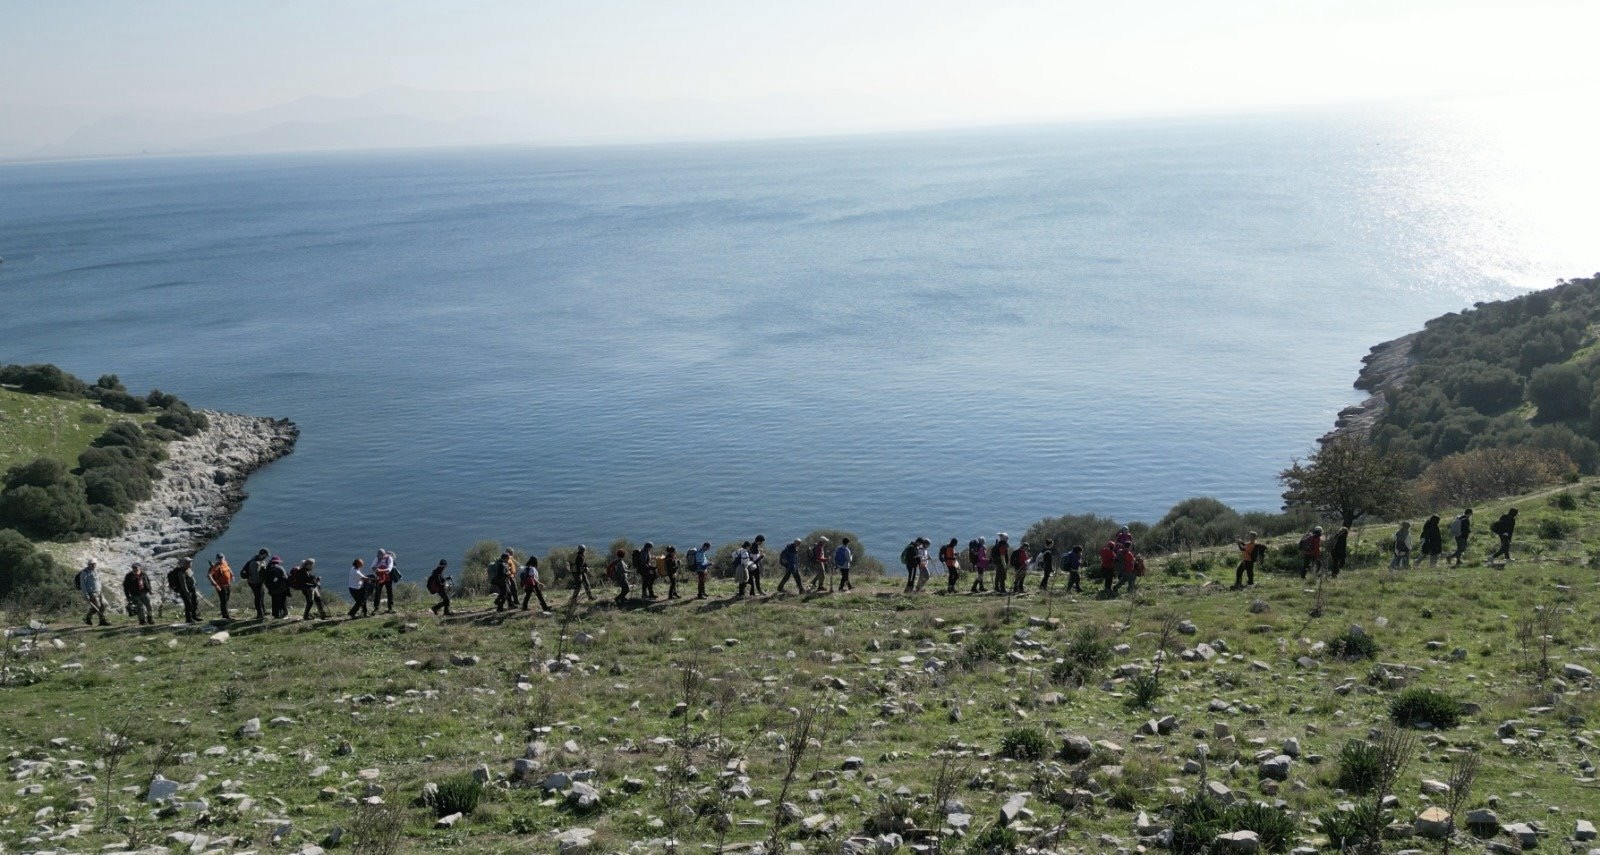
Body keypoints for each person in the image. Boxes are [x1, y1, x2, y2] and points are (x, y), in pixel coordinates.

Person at [166, 557, 200, 623]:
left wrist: (194, 585)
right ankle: (189, 619)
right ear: (184, 563)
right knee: (188, 604)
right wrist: (187, 593)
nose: (190, 563)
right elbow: (183, 584)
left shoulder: (188, 570)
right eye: (188, 562)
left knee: (194, 603)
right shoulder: (181, 572)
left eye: (190, 562)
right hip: (185, 591)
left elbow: (192, 578)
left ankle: (194, 616)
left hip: (192, 589)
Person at [77, 559, 109, 626]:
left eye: (94, 564)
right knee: (97, 606)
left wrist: (100, 590)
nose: (93, 565)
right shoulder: (84, 572)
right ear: (88, 564)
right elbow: (83, 584)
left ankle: (100, 621)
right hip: (91, 593)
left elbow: (99, 581)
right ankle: (89, 618)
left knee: (104, 604)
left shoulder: (97, 571)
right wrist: (86, 595)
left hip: (99, 591)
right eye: (91, 564)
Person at [240, 548, 270, 620]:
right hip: (255, 582)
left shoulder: (260, 560)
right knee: (258, 597)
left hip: (258, 582)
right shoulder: (255, 563)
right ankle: (260, 614)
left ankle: (263, 611)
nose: (266, 557)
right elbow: (255, 575)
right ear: (262, 554)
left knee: (261, 595)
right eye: (266, 555)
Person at [207, 553, 233, 620]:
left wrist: (232, 575)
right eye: (219, 558)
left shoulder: (225, 563)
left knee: (226, 600)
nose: (221, 559)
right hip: (221, 586)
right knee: (223, 601)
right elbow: (209, 575)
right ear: (217, 559)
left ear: (224, 558)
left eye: (222, 557)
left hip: (227, 585)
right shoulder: (216, 566)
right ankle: (225, 616)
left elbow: (228, 569)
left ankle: (225, 613)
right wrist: (216, 585)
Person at [372, 549, 397, 614]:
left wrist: (380, 570)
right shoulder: (377, 558)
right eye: (379, 556)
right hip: (379, 578)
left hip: (388, 578)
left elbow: (389, 568)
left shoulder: (389, 558)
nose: (380, 557)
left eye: (381, 555)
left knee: (389, 592)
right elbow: (372, 566)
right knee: (377, 592)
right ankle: (376, 608)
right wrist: (375, 569)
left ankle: (390, 607)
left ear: (384, 554)